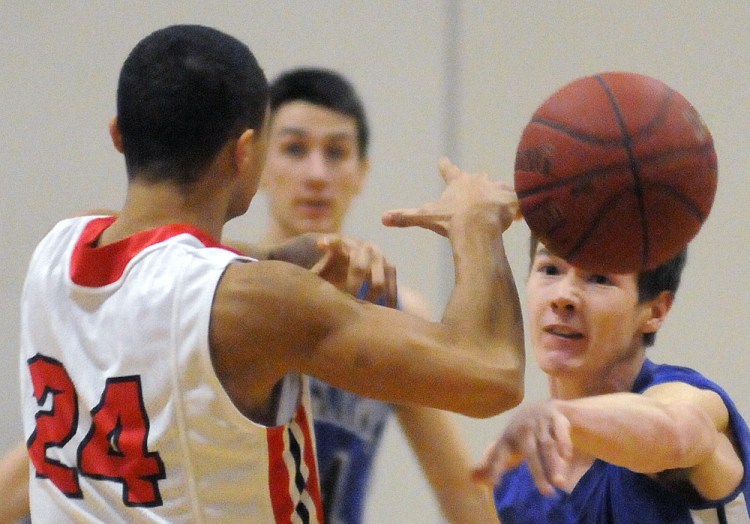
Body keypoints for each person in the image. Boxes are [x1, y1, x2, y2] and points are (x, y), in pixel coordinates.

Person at [19, 24, 524, 522]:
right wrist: (477, 225)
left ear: (118, 136)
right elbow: (491, 375)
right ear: (245, 155)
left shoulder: (57, 250)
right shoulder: (259, 302)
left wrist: (279, 257)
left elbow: (163, 253)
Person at [245, 67, 499, 523]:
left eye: (336, 152)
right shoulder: (226, 285)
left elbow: (462, 490)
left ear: (362, 172)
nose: (317, 173)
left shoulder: (392, 311)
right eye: (295, 149)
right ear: (258, 163)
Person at [472, 237, 750, 522]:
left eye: (599, 278)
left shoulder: (687, 398)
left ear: (656, 310)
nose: (563, 296)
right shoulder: (514, 478)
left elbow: (676, 434)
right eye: (550, 270)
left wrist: (559, 416)